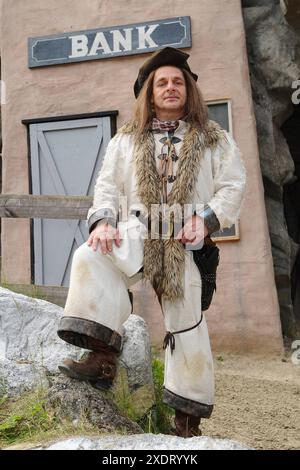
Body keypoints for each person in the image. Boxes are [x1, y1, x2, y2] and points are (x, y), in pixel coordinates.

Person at [57, 47, 246, 437]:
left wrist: (206, 220)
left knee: (187, 322)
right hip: (139, 232)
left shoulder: (214, 139)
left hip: (184, 242)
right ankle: (104, 356)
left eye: (178, 81)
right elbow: (106, 187)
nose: (171, 87)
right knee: (91, 256)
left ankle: (186, 421)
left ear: (188, 90)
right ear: (150, 92)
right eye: (162, 82)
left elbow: (233, 186)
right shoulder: (125, 140)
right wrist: (104, 222)